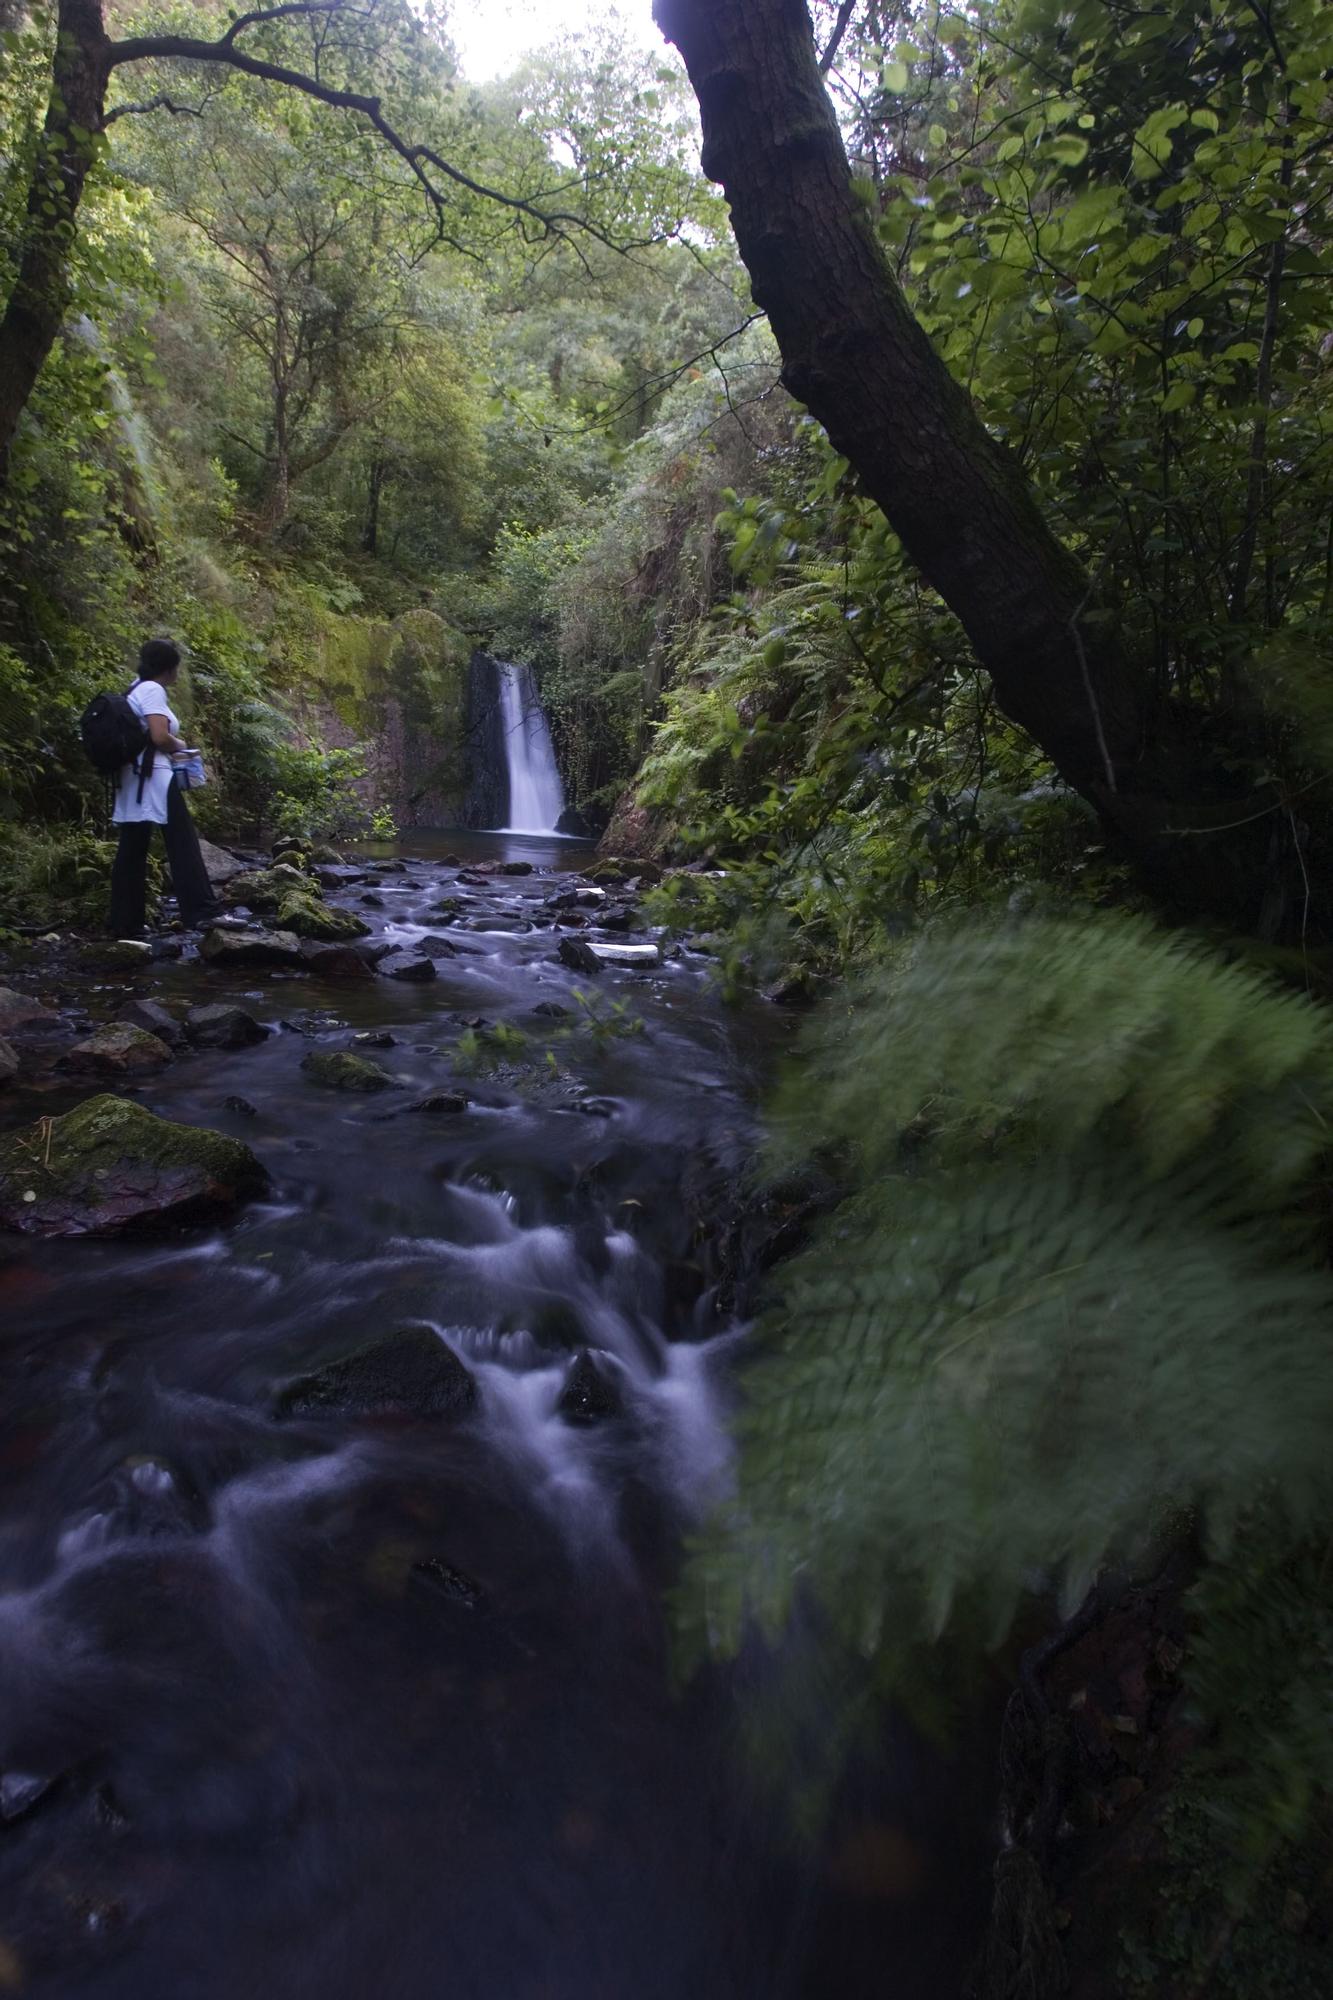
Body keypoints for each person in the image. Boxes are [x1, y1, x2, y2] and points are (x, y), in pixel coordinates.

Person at [108, 637, 221, 937]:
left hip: (132, 778)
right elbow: (159, 736)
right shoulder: (153, 690)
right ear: (169, 669)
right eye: (176, 668)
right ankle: (202, 912)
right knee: (183, 842)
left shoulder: (134, 688)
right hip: (155, 777)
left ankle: (124, 923)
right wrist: (180, 744)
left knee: (132, 848)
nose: (177, 674)